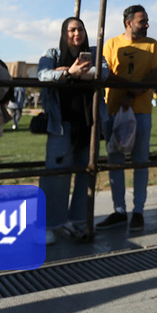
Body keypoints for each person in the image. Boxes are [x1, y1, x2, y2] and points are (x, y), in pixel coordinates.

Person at [38, 17, 103, 244]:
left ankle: (79, 220)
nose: (77, 34)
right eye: (72, 30)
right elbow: (43, 75)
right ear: (64, 33)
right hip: (61, 122)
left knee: (86, 173)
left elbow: (103, 72)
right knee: (56, 174)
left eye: (81, 29)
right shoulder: (53, 53)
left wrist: (77, 73)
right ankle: (48, 223)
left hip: (88, 123)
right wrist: (67, 73)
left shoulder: (94, 52)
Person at [100, 5, 157, 233]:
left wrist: (132, 94)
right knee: (115, 161)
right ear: (128, 23)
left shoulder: (152, 44)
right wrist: (125, 93)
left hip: (141, 110)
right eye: (142, 21)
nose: (147, 24)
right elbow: (107, 72)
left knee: (140, 161)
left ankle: (138, 210)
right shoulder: (111, 44)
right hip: (114, 110)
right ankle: (119, 210)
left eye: (147, 20)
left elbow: (156, 73)